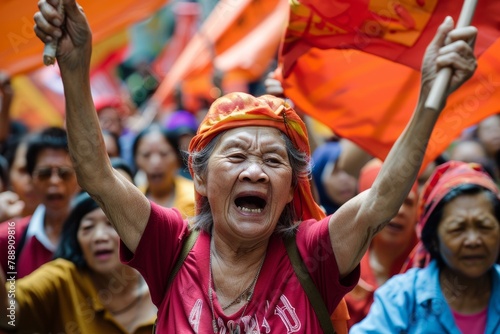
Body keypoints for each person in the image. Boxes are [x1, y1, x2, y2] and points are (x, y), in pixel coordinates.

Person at [33, 1, 477, 332]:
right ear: (201, 177)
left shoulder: (313, 254)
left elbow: (382, 198)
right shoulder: (169, 244)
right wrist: (76, 70)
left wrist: (427, 103)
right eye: (238, 155)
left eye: (273, 161)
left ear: (290, 189)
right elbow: (97, 176)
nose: (255, 172)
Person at [350, 161, 500, 333]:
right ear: (434, 238)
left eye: (485, 226)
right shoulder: (403, 299)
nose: (473, 240)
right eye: (457, 228)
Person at [0, 192, 157, 333]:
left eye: (111, 224)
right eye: (88, 227)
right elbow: (8, 311)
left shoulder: (162, 281)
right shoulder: (62, 278)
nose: (99, 236)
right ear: (76, 240)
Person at [343, 159, 419, 328]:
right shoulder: (340, 264)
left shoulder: (430, 263)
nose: (399, 210)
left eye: (408, 202)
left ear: (418, 211)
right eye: (390, 201)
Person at [0, 126, 79, 278]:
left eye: (64, 173)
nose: (55, 181)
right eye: (44, 173)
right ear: (31, 178)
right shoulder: (9, 237)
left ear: (79, 178)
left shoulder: (97, 236)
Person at [132, 123, 195, 218]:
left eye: (163, 153)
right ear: (136, 160)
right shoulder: (132, 201)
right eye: (146, 155)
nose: (155, 162)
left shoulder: (195, 198)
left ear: (178, 158)